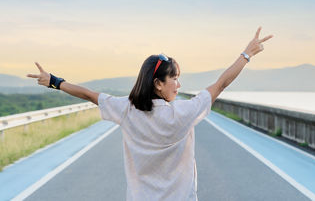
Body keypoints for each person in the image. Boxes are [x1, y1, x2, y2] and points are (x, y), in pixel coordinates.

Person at [27, 27, 273, 201]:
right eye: (174, 78)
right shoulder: (183, 113)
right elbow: (221, 84)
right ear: (158, 83)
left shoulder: (126, 109)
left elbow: (90, 95)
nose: (179, 84)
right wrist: (246, 54)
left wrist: (54, 82)